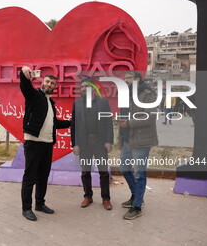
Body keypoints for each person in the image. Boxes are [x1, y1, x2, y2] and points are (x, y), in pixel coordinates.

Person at [19, 66, 71, 221]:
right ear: (42, 82)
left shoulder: (50, 103)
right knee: (30, 177)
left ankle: (40, 204)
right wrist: (24, 71)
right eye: (47, 82)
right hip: (33, 143)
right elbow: (25, 85)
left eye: (52, 83)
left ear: (55, 87)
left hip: (48, 144)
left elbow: (54, 123)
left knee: (43, 176)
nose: (49, 85)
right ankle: (26, 208)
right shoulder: (34, 95)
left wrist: (71, 123)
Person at [118, 70, 158, 220]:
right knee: (124, 169)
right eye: (125, 77)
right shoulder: (126, 94)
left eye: (130, 78)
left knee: (139, 173)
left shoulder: (147, 94)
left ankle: (137, 206)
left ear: (138, 79)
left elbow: (151, 116)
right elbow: (123, 115)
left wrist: (129, 123)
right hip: (128, 138)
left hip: (142, 140)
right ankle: (137, 196)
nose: (126, 80)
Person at [71, 77, 114, 210]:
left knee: (103, 172)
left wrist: (109, 141)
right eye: (82, 87)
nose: (84, 89)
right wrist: (75, 144)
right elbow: (74, 125)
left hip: (100, 142)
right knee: (85, 172)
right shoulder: (77, 104)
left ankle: (106, 199)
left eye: (87, 86)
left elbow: (108, 123)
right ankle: (87, 196)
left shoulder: (103, 102)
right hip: (84, 143)